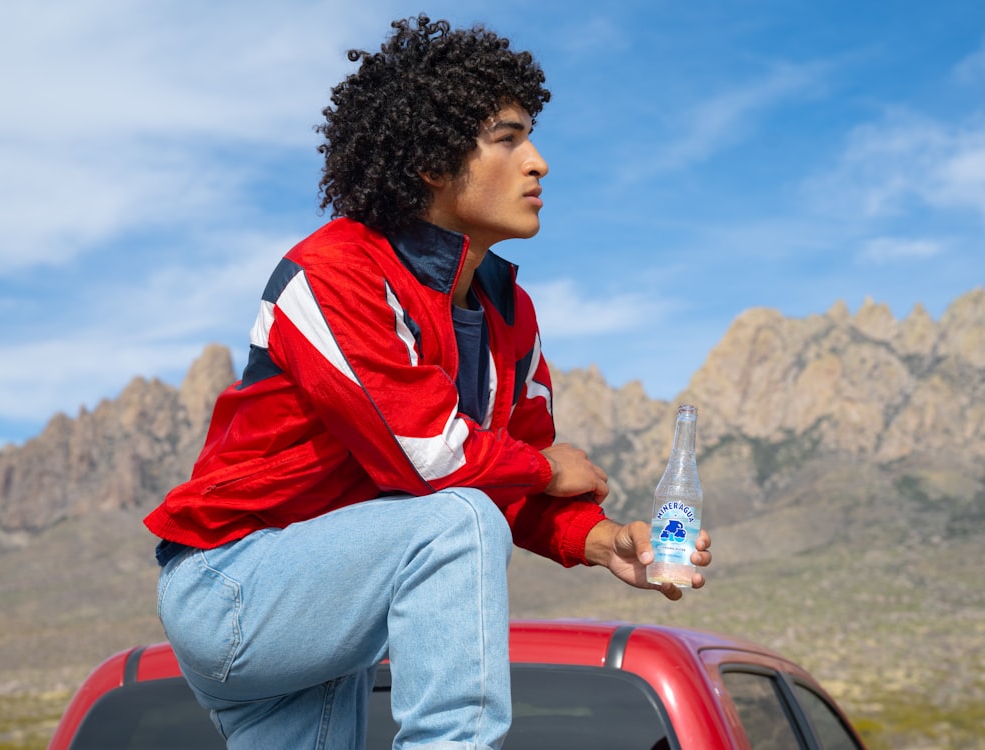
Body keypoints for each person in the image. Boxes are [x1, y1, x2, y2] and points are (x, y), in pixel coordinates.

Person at [145, 15, 712, 750]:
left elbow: (508, 485)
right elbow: (430, 459)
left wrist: (604, 542)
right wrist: (545, 467)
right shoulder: (336, 272)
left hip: (332, 592)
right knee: (458, 520)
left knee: (466, 512)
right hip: (233, 587)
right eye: (508, 140)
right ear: (431, 164)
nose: (538, 162)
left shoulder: (512, 312)